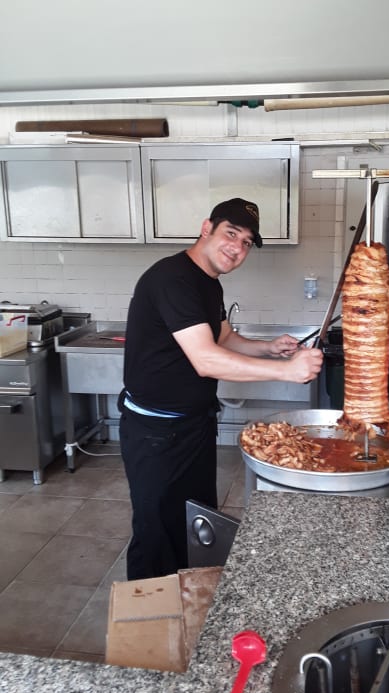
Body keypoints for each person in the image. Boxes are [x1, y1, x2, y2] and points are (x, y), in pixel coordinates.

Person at [118, 197, 323, 580]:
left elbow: (223, 337)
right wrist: (287, 371)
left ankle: (189, 600)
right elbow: (206, 359)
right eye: (231, 233)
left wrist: (269, 348)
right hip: (156, 434)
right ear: (206, 228)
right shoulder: (172, 279)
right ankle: (149, 611)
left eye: (246, 242)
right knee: (157, 533)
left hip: (193, 426)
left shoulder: (208, 283)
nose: (237, 247)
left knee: (194, 523)